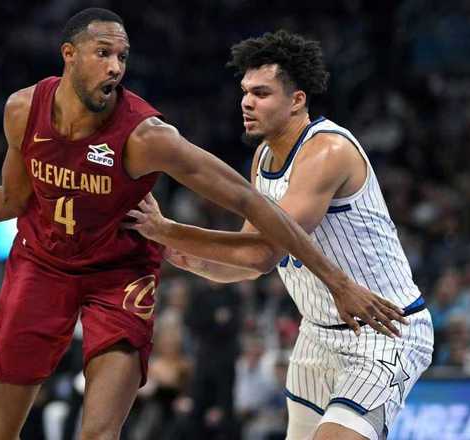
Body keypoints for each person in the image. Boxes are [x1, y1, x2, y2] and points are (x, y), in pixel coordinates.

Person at [0, 10, 405, 440]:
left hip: (117, 277)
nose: (115, 67)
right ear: (69, 54)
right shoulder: (22, 110)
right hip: (42, 264)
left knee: (97, 433)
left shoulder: (147, 136)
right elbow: (12, 198)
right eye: (103, 53)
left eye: (122, 57)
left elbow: (249, 212)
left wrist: (337, 282)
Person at [126, 30, 434, 440]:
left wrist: (169, 229)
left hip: (382, 329)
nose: (246, 102)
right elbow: (249, 266)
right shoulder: (264, 156)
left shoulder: (327, 151)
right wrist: (191, 259)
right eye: (245, 92)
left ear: (297, 100)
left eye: (261, 93)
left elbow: (264, 251)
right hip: (317, 335)